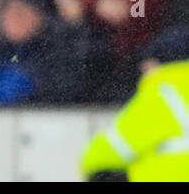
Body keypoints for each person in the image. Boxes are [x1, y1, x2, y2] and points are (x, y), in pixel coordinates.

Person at [80, 26, 189, 181]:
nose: (143, 69)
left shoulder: (165, 93)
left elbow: (111, 150)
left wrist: (93, 168)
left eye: (147, 62)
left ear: (158, 62)